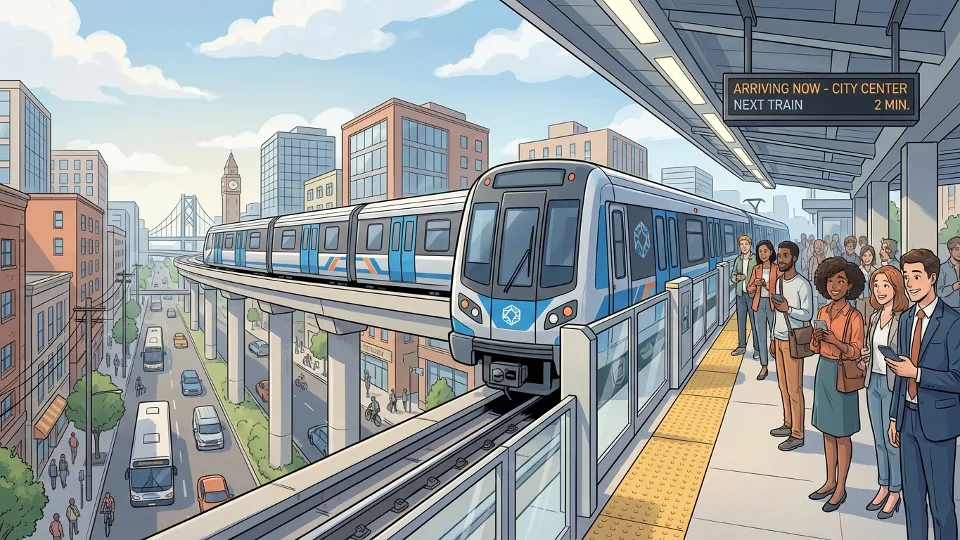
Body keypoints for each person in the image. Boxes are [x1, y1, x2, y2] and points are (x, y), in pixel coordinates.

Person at [887, 248, 960, 540]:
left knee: (941, 505)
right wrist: (894, 417)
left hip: (938, 425)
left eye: (916, 276)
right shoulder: (906, 319)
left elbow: (957, 378)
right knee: (913, 501)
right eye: (906, 277)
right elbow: (900, 370)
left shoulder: (953, 322)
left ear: (932, 278)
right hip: (908, 421)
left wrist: (917, 373)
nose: (910, 283)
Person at [809, 257, 866, 512]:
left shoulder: (854, 316)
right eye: (830, 281)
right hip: (823, 371)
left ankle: (841, 486)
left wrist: (834, 341)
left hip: (842, 374)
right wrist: (816, 339)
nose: (834, 286)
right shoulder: (822, 311)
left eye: (840, 281)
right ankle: (829, 480)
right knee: (826, 431)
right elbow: (815, 347)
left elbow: (855, 351)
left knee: (842, 434)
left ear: (850, 285)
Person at [858, 265, 908, 519]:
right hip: (873, 383)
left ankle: (896, 491)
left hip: (892, 386)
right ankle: (884, 485)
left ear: (896, 288)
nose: (879, 290)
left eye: (886, 285)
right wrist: (867, 356)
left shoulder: (904, 319)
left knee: (892, 441)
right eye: (876, 285)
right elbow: (872, 346)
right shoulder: (874, 317)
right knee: (878, 439)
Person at [769, 241, 814, 452]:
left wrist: (789, 308)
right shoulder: (778, 282)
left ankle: (798, 433)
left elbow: (807, 314)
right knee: (783, 386)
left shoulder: (802, 284)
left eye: (785, 256)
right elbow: (775, 314)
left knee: (795, 389)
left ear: (794, 258)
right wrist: (771, 338)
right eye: (779, 255)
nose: (781, 259)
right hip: (778, 339)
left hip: (793, 340)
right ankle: (788, 423)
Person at [746, 240, 779, 381]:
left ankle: (780, 365)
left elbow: (779, 289)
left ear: (771, 252)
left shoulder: (777, 269)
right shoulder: (756, 269)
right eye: (760, 251)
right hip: (758, 305)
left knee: (775, 335)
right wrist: (755, 284)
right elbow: (749, 288)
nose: (763, 254)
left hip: (773, 305)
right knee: (761, 336)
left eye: (765, 251)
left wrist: (766, 285)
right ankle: (764, 366)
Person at [731, 234, 759, 358]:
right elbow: (733, 276)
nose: (744, 247)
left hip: (752, 295)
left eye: (746, 244)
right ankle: (742, 346)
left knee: (755, 323)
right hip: (740, 295)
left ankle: (757, 348)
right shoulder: (738, 260)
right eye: (741, 244)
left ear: (750, 245)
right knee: (741, 321)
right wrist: (737, 278)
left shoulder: (755, 259)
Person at [937, 236, 960, 308]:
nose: (959, 252)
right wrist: (952, 287)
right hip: (948, 309)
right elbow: (939, 292)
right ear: (950, 250)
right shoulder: (942, 268)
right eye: (957, 249)